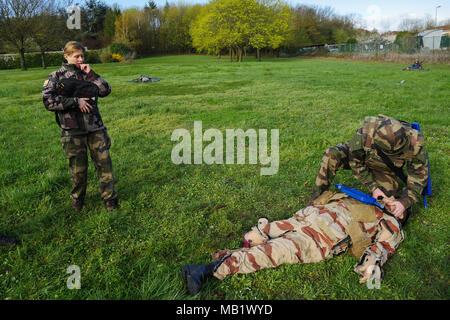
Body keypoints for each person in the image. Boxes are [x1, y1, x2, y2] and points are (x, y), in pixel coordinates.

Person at [182, 191, 404, 296]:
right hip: (301, 219)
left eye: (392, 198)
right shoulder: (360, 197)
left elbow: (381, 249)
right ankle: (232, 253)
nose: (386, 197)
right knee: (261, 234)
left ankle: (209, 271)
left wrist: (370, 265)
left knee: (276, 252)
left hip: (318, 240)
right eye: (385, 194)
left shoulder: (390, 222)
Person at [42, 41, 118, 211]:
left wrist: (92, 74)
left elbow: (105, 90)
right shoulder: (56, 77)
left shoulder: (87, 74)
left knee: (104, 165)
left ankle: (109, 199)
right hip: (72, 131)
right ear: (66, 56)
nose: (80, 59)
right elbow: (48, 101)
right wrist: (76, 102)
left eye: (82, 56)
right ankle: (78, 199)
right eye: (76, 56)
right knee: (78, 170)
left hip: (95, 128)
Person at [310, 115, 428, 224]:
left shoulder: (415, 147)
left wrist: (404, 203)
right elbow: (355, 161)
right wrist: (373, 187)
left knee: (387, 201)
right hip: (362, 158)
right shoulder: (365, 134)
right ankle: (316, 200)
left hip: (383, 169)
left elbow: (418, 181)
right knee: (331, 154)